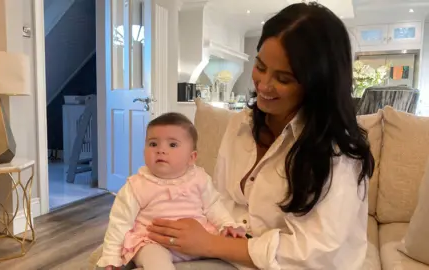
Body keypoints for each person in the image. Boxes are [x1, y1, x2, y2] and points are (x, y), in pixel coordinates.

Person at [146, 2, 375, 270]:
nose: (264, 85)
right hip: (227, 254)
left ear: (317, 84)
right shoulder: (240, 126)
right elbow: (218, 200)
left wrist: (209, 244)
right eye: (260, 66)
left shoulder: (338, 153)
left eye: (284, 78)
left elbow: (316, 255)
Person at [97, 112, 246, 270]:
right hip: (154, 242)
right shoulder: (137, 185)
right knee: (156, 261)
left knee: (236, 254)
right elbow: (120, 221)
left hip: (198, 241)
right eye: (153, 144)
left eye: (172, 145)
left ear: (191, 157)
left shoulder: (200, 178)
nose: (161, 150)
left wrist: (227, 224)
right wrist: (111, 257)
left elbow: (213, 206)